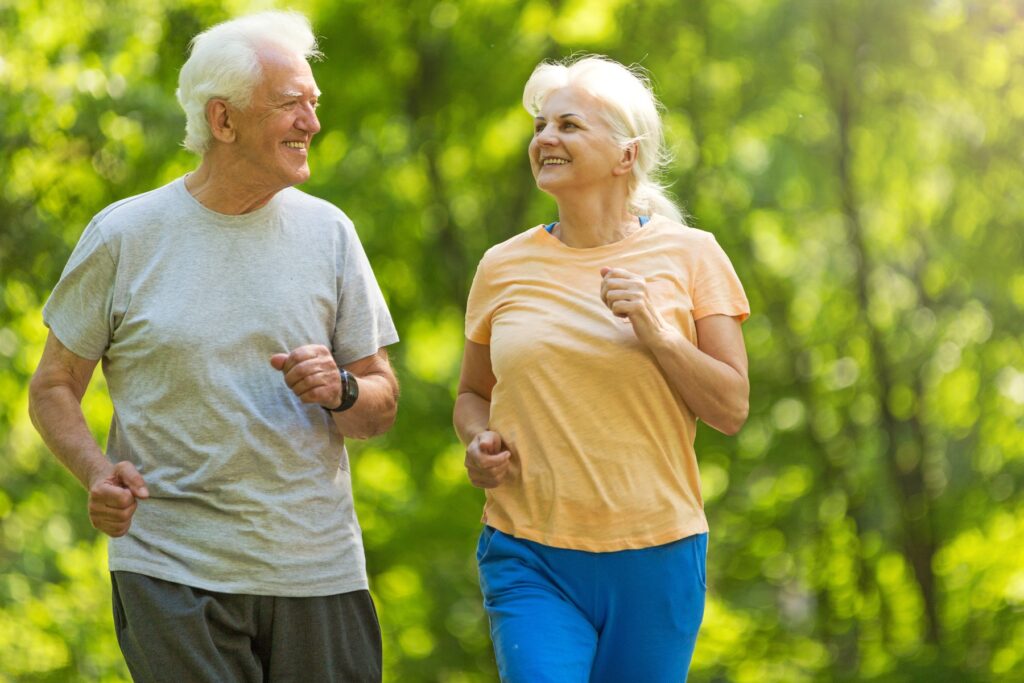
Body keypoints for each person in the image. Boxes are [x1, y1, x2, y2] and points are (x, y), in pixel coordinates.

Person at [27, 11, 398, 682]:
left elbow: (379, 403)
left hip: (317, 570)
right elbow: (53, 386)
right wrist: (95, 471)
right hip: (171, 569)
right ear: (223, 121)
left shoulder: (332, 234)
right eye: (291, 104)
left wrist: (342, 387)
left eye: (313, 104)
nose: (312, 122)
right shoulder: (124, 236)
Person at [453, 55, 750, 682]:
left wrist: (657, 332)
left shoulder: (691, 255)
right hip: (528, 550)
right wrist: (477, 444)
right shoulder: (501, 267)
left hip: (657, 554)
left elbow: (730, 407)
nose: (544, 139)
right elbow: (472, 395)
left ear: (625, 155)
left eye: (567, 125)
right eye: (539, 127)